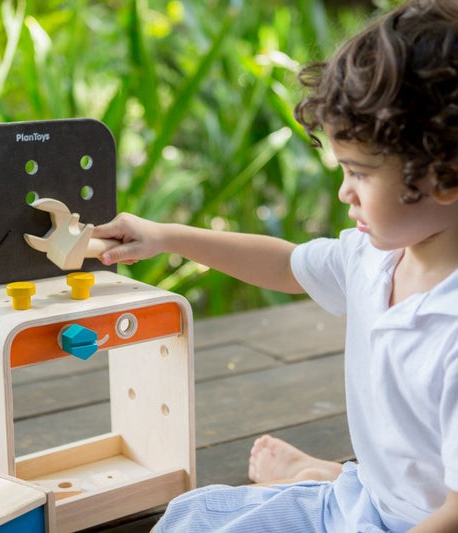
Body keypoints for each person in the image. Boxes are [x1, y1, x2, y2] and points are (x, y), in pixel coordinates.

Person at [93, 0, 458, 530]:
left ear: (444, 177)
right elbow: (288, 267)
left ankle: (325, 479)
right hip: (372, 504)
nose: (344, 192)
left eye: (358, 173)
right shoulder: (377, 255)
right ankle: (334, 479)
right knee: (192, 519)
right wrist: (165, 236)